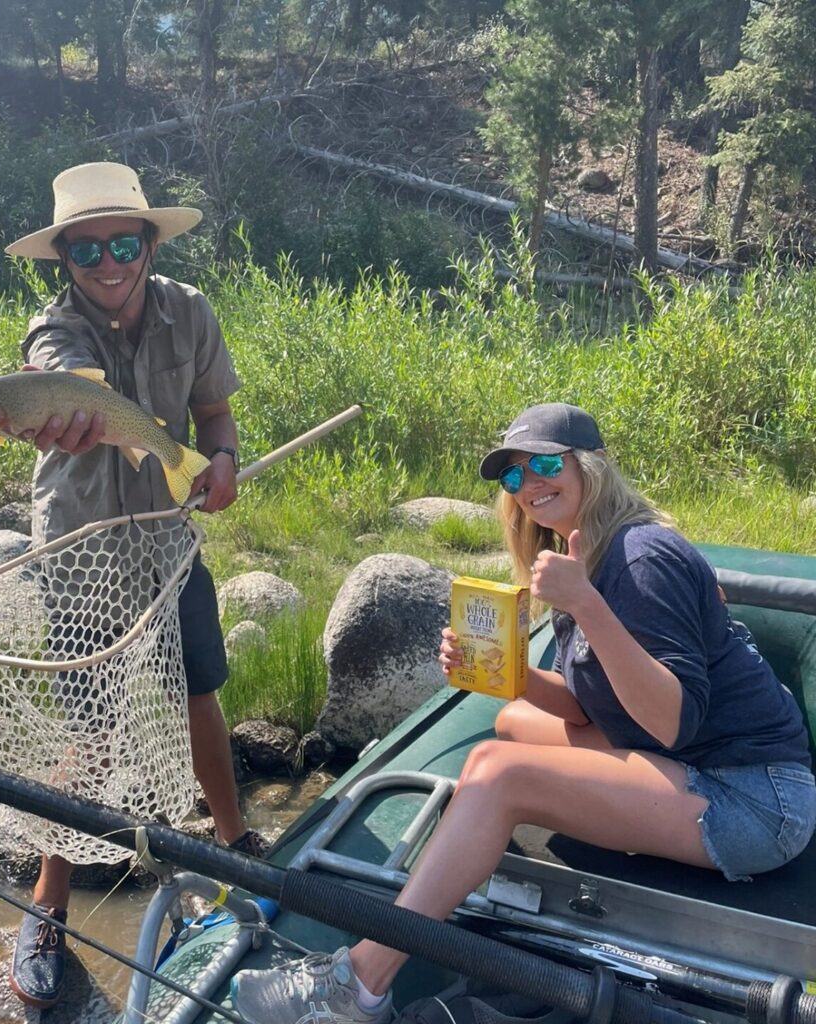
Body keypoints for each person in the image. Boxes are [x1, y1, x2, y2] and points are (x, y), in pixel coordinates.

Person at [231, 402, 816, 1024]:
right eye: (515, 476)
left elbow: (674, 721)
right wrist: (500, 671)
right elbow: (584, 705)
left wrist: (585, 604)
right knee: (510, 725)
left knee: (498, 771)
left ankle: (361, 985)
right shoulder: (580, 553)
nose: (530, 486)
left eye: (544, 464)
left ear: (591, 466)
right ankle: (465, 848)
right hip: (688, 763)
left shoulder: (641, 558)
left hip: (753, 799)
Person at [3, 161, 268, 1009]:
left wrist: (220, 461)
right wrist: (76, 418)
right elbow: (63, 380)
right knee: (97, 730)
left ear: (149, 244)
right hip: (81, 545)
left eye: (125, 243)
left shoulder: (190, 310)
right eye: (86, 251)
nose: (108, 263)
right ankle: (46, 904)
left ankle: (234, 845)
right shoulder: (50, 336)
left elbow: (216, 409)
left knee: (201, 691)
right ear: (64, 263)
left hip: (167, 536)